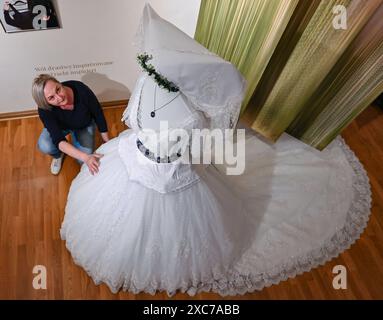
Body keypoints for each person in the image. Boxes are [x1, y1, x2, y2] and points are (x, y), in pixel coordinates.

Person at [59, 4, 371, 296]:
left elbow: (158, 133)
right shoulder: (189, 116)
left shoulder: (148, 86)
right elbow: (199, 152)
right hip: (162, 165)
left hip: (149, 161)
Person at [32, 74, 110, 175]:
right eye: (51, 98)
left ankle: (72, 147)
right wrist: (86, 157)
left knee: (82, 162)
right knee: (44, 145)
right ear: (45, 102)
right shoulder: (44, 109)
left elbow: (97, 113)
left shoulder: (81, 89)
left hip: (83, 125)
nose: (59, 97)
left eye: (58, 89)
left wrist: (106, 140)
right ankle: (58, 155)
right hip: (61, 128)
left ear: (59, 83)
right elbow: (58, 139)